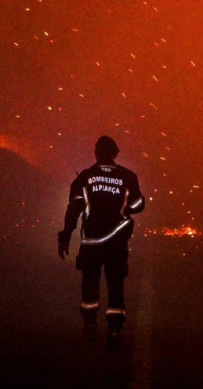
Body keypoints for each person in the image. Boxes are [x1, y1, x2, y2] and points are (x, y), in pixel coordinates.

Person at [58, 135, 145, 350]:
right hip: (117, 243)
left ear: (96, 153)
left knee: (90, 284)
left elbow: (73, 210)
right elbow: (139, 205)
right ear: (115, 154)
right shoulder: (128, 177)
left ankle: (89, 324)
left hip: (91, 243)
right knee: (116, 285)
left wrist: (65, 236)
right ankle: (114, 330)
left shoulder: (85, 178)